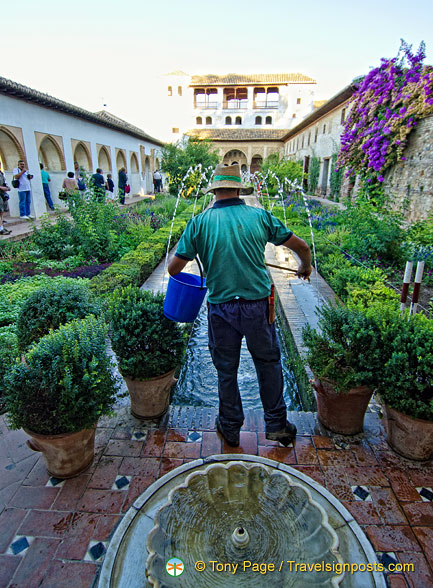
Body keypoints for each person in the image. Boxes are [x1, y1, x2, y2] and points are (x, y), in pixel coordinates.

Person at [168, 164, 313, 448]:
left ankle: (231, 427)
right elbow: (303, 247)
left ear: (214, 191)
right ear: (237, 189)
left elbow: (174, 269)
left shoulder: (198, 223)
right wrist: (303, 266)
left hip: (221, 308)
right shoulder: (259, 216)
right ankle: (277, 425)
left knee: (226, 369)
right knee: (269, 364)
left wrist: (207, 261)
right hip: (258, 306)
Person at [0, 166, 12, 235]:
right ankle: (1, 229)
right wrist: (3, 188)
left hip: (2, 194)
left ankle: (2, 227)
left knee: (1, 212)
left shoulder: (1, 173)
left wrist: (6, 187)